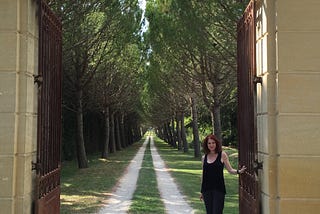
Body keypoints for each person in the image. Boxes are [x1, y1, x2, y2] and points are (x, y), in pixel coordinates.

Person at [200, 134, 246, 214]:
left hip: (218, 189)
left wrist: (239, 171)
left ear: (216, 143)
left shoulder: (222, 155)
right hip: (206, 190)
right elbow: (203, 175)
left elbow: (230, 170)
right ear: (206, 145)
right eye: (209, 143)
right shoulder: (204, 158)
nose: (211, 145)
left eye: (213, 143)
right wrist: (202, 191)